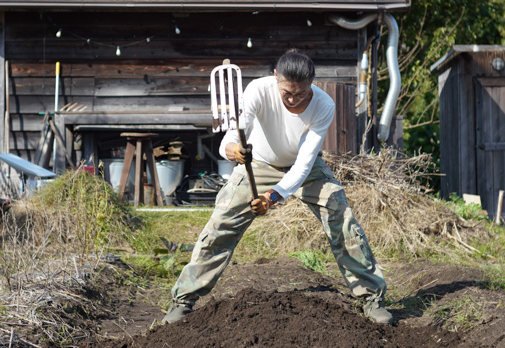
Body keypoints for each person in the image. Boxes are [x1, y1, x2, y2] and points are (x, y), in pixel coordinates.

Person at [163, 49, 392, 325]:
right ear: (275, 79)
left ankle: (371, 297)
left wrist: (272, 197)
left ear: (312, 85)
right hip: (258, 163)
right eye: (287, 93)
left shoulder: (324, 105)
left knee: (340, 214)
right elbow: (230, 138)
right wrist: (234, 151)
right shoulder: (257, 91)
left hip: (305, 169)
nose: (294, 100)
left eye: (301, 93)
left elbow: (304, 165)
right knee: (221, 223)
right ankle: (183, 300)